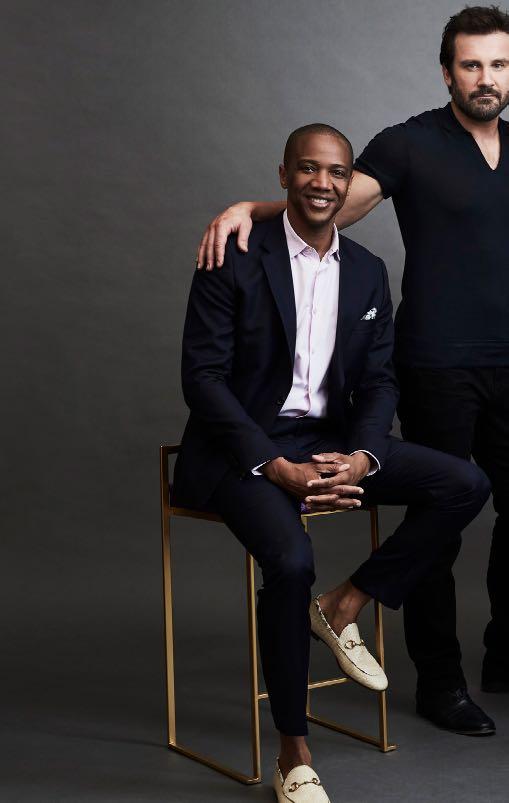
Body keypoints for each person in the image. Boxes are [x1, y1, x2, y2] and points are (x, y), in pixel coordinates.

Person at [195, 5, 509, 737]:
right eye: (470, 64)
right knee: (441, 526)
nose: (485, 78)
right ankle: (440, 681)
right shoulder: (410, 143)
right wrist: (251, 207)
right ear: (447, 73)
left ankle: (503, 653)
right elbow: (330, 204)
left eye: (497, 64)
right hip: (436, 364)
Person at [174, 124, 490, 801]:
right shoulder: (235, 255)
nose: (322, 183)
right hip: (242, 449)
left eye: (336, 172)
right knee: (291, 562)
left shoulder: (368, 271)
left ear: (350, 184)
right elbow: (202, 379)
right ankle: (293, 752)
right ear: (283, 174)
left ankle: (344, 604)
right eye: (308, 169)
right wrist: (271, 465)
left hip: (329, 442)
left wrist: (363, 457)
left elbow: (378, 382)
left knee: (463, 483)